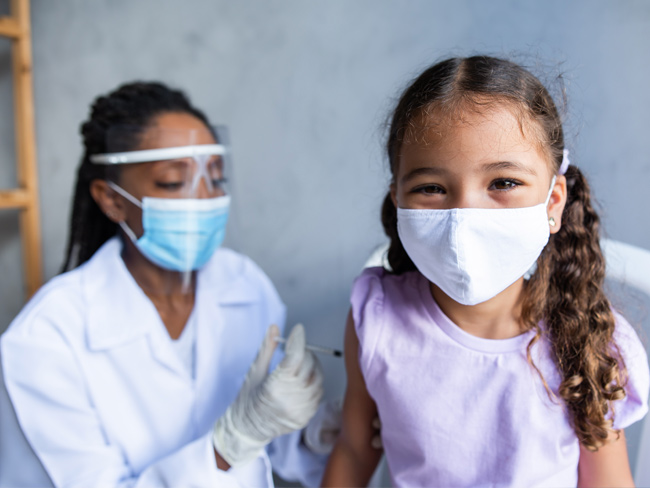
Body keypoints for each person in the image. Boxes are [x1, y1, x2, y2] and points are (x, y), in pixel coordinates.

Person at [322, 56, 650, 487]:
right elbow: (354, 450)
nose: (465, 216)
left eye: (503, 183)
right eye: (432, 189)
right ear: (398, 201)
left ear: (553, 202)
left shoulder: (587, 340)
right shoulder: (378, 317)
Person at [0, 81, 332, 487]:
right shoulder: (48, 336)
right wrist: (230, 444)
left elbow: (271, 445)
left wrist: (314, 435)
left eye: (214, 178)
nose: (203, 199)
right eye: (175, 182)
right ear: (112, 199)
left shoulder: (244, 285)